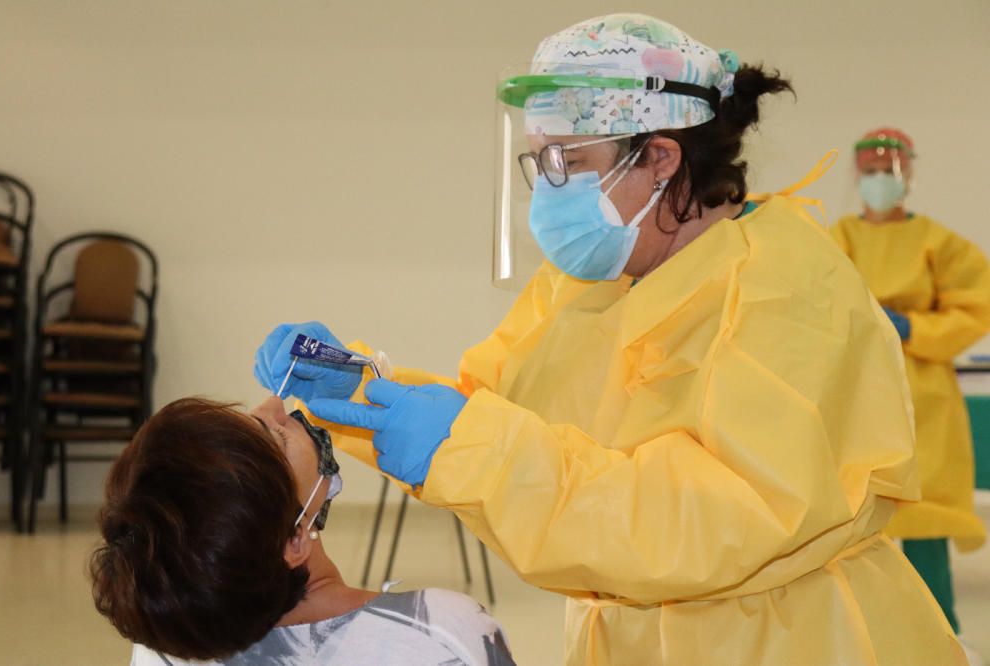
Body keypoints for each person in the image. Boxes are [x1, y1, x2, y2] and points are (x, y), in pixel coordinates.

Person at [256, 15, 966, 666]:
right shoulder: (591, 282)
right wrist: (356, 389)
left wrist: (469, 447)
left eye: (569, 163)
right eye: (539, 165)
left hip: (783, 639)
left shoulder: (787, 289)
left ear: (661, 158)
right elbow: (489, 407)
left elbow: (706, 522)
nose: (548, 192)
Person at [89, 396, 514, 665]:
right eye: (274, 436)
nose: (275, 405)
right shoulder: (441, 632)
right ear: (294, 542)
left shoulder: (167, 643)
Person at [832, 128, 990, 644]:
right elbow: (812, 296)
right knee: (852, 531)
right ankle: (868, 641)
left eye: (890, 169)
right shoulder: (839, 239)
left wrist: (916, 329)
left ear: (909, 173)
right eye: (871, 169)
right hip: (855, 388)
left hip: (925, 393)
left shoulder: (937, 242)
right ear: (857, 176)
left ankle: (942, 638)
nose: (881, 179)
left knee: (925, 523)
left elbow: (975, 303)